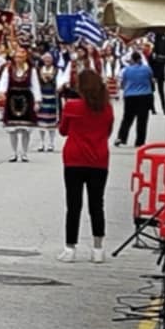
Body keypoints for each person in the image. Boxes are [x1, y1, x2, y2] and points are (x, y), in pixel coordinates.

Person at [59, 67, 115, 264]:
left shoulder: (72, 106)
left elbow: (63, 130)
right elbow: (108, 131)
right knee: (96, 204)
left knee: (73, 205)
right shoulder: (107, 108)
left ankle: (70, 248)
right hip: (99, 159)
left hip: (74, 158)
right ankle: (98, 248)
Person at [0, 47, 39, 163]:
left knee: (25, 129)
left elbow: (35, 85)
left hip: (26, 97)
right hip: (12, 98)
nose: (18, 59)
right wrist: (1, 92)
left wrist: (37, 101)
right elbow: (4, 82)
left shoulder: (31, 70)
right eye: (16, 57)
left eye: (20, 57)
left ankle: (24, 153)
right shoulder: (9, 69)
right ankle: (14, 153)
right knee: (12, 129)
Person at [117, 50, 155, 148]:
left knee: (127, 119)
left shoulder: (127, 70)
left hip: (130, 96)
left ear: (132, 60)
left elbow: (122, 84)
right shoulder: (147, 69)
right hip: (144, 96)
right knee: (142, 120)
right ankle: (140, 141)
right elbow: (151, 80)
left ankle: (121, 138)